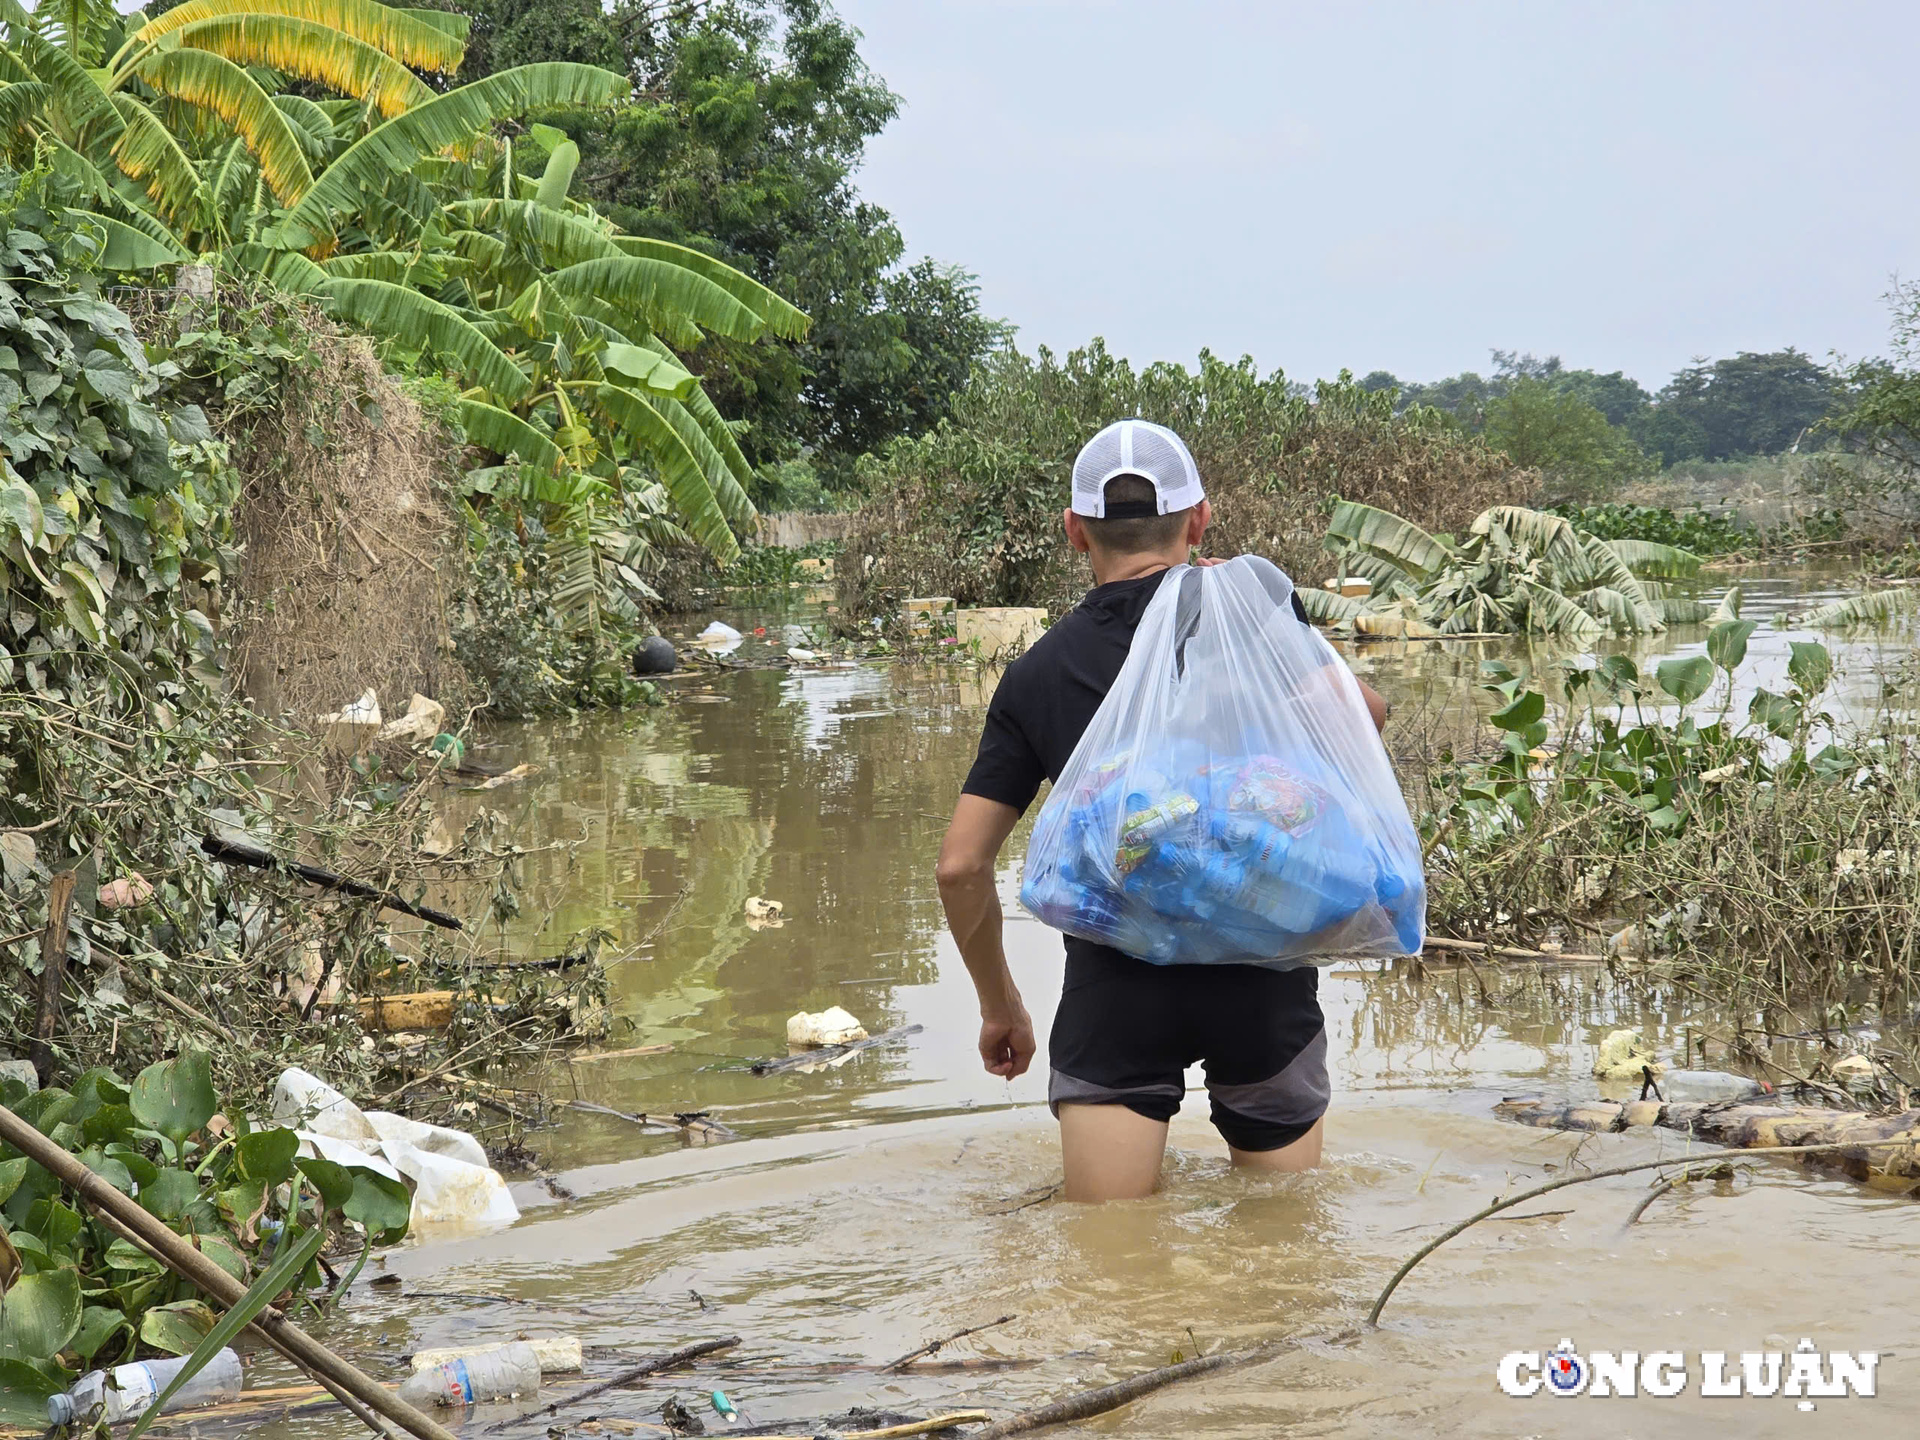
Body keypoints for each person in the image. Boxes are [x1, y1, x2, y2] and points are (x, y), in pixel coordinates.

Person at [935, 419, 1389, 1203]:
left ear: (1074, 531)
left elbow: (961, 865)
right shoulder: (1252, 629)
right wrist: (1258, 613)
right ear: (1201, 519)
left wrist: (1000, 1005)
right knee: (1283, 1261)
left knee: (1111, 1263)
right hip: (1264, 989)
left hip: (1114, 998)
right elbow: (1364, 718)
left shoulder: (1037, 675)